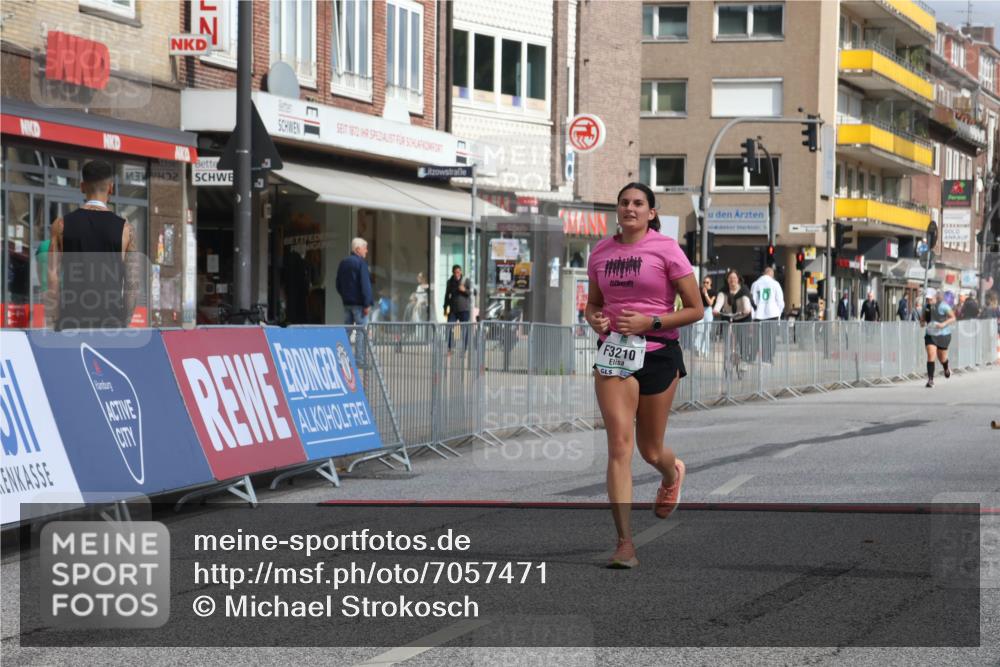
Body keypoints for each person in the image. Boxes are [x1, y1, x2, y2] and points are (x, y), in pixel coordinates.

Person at [585, 183, 701, 569]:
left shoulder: (666, 249)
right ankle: (624, 543)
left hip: (658, 353)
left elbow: (696, 308)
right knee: (619, 447)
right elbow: (594, 305)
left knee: (650, 450)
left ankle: (672, 472)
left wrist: (652, 320)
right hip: (615, 354)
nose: (630, 208)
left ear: (652, 212)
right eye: (624, 203)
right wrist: (594, 318)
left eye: (638, 203)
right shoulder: (600, 252)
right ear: (617, 209)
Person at [46, 160, 140, 330]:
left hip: (71, 322)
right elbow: (132, 283)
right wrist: (124, 321)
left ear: (82, 187)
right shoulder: (126, 229)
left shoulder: (61, 225)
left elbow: (53, 277)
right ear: (110, 188)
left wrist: (56, 320)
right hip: (111, 324)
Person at [713, 269, 754, 362]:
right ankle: (727, 360)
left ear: (738, 279)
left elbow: (746, 302)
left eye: (734, 278)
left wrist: (746, 310)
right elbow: (719, 301)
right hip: (728, 318)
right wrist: (716, 310)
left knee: (743, 341)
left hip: (743, 318)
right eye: (730, 278)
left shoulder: (744, 290)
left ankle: (744, 361)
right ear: (727, 280)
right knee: (727, 341)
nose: (732, 280)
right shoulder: (723, 291)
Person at [921, 287, 957, 388]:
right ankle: (930, 380)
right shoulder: (926, 307)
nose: (928, 301)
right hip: (930, 335)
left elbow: (953, 317)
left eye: (930, 299)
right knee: (931, 355)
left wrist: (943, 324)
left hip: (943, 335)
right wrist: (922, 323)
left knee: (942, 358)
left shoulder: (943, 306)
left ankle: (946, 368)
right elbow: (922, 320)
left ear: (935, 298)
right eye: (927, 299)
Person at [335, 238, 373, 326]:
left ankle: (346, 341)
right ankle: (359, 341)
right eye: (365, 248)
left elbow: (338, 284)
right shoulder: (361, 263)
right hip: (360, 305)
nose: (366, 251)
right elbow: (365, 285)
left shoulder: (343, 263)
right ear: (358, 249)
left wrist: (345, 296)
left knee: (347, 330)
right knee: (361, 332)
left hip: (347, 303)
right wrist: (367, 304)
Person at [750, 266, 784, 364]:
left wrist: (753, 315)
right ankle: (768, 358)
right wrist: (779, 313)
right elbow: (780, 301)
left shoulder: (755, 284)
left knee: (756, 337)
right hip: (772, 314)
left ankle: (752, 357)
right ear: (771, 274)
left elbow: (752, 301)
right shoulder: (775, 284)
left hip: (758, 314)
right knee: (770, 337)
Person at [444, 265, 472, 351]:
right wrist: (445, 307)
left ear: (461, 272)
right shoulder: (450, 282)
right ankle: (450, 347)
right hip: (453, 310)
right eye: (455, 272)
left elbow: (471, 292)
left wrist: (464, 290)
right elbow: (447, 295)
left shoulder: (465, 281)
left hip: (464, 309)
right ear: (453, 272)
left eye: (458, 272)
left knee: (464, 329)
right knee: (449, 327)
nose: (457, 274)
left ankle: (464, 348)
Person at [695, 275, 716, 357]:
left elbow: (710, 303)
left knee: (707, 331)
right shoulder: (699, 291)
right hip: (701, 309)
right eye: (704, 282)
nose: (705, 284)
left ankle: (705, 350)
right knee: (699, 329)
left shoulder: (713, 292)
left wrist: (706, 294)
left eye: (707, 282)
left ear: (710, 283)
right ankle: (698, 348)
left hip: (708, 310)